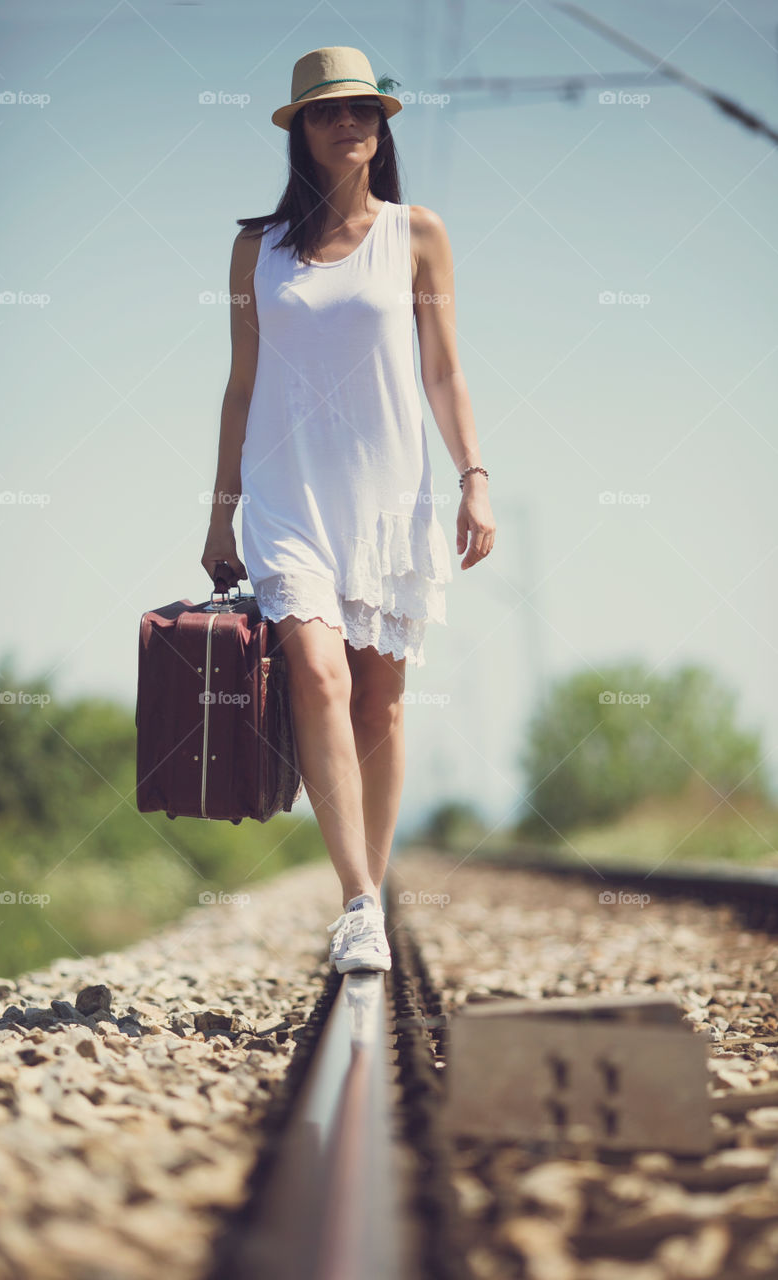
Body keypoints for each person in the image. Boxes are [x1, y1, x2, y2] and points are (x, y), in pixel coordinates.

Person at [201, 46, 495, 973]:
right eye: (329, 112)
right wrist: (220, 512)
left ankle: (367, 882)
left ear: (381, 125)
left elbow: (444, 370)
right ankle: (359, 902)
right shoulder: (258, 249)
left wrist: (475, 474)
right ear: (302, 131)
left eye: (364, 110)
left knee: (381, 703)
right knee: (319, 679)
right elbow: (241, 388)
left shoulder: (417, 235)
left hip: (385, 495)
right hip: (286, 498)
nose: (350, 123)